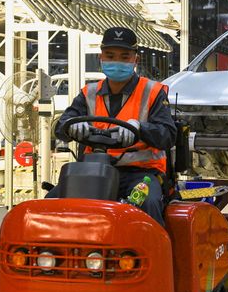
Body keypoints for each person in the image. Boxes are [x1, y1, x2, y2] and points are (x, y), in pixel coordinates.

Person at [53, 27, 177, 226]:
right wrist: (70, 126)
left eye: (124, 56)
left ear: (135, 60)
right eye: (110, 55)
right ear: (101, 57)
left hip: (139, 175)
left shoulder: (152, 92)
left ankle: (154, 253)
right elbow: (61, 126)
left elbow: (168, 135)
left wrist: (139, 128)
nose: (116, 61)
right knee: (50, 203)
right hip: (92, 171)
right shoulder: (88, 93)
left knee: (149, 203)